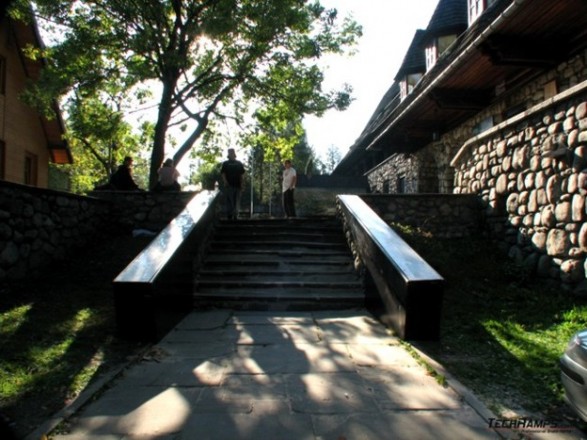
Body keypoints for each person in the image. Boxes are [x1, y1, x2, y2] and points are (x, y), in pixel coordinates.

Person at [220, 148, 245, 219]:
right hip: (229, 184)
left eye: (232, 153)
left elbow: (242, 174)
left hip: (238, 184)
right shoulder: (225, 163)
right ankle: (230, 214)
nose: (231, 154)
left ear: (234, 154)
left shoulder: (239, 163)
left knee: (237, 200)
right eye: (229, 153)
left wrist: (242, 184)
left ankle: (236, 214)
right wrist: (225, 181)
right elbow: (223, 173)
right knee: (230, 200)